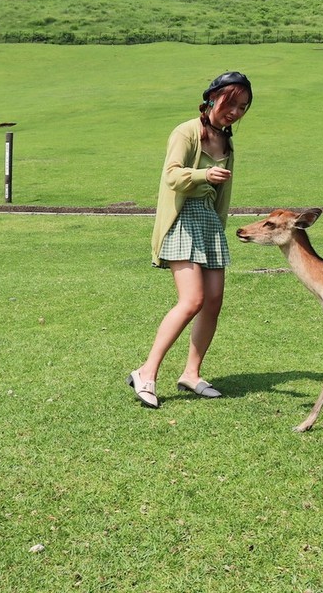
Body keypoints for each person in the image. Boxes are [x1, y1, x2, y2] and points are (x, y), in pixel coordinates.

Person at [127, 71, 252, 408]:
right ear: (212, 98)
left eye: (243, 107)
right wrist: (203, 174)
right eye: (231, 103)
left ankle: (191, 374)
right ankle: (146, 371)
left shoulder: (226, 142)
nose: (236, 112)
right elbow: (171, 175)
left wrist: (221, 227)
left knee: (213, 301)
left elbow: (223, 193)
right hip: (183, 219)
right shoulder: (186, 132)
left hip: (209, 223)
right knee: (192, 300)